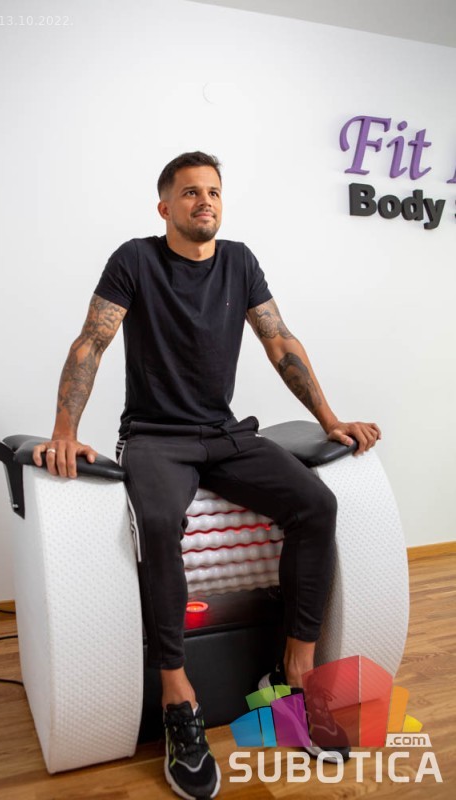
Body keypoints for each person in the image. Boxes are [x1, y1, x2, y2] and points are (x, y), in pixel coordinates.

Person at [33, 151, 381, 800]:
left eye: (214, 191)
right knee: (159, 520)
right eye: (191, 192)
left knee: (316, 505)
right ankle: (178, 697)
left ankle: (296, 674)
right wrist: (63, 430)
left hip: (224, 434)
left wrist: (330, 419)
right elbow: (92, 341)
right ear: (164, 206)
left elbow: (279, 341)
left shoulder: (240, 262)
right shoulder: (135, 260)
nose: (205, 201)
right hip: (155, 438)